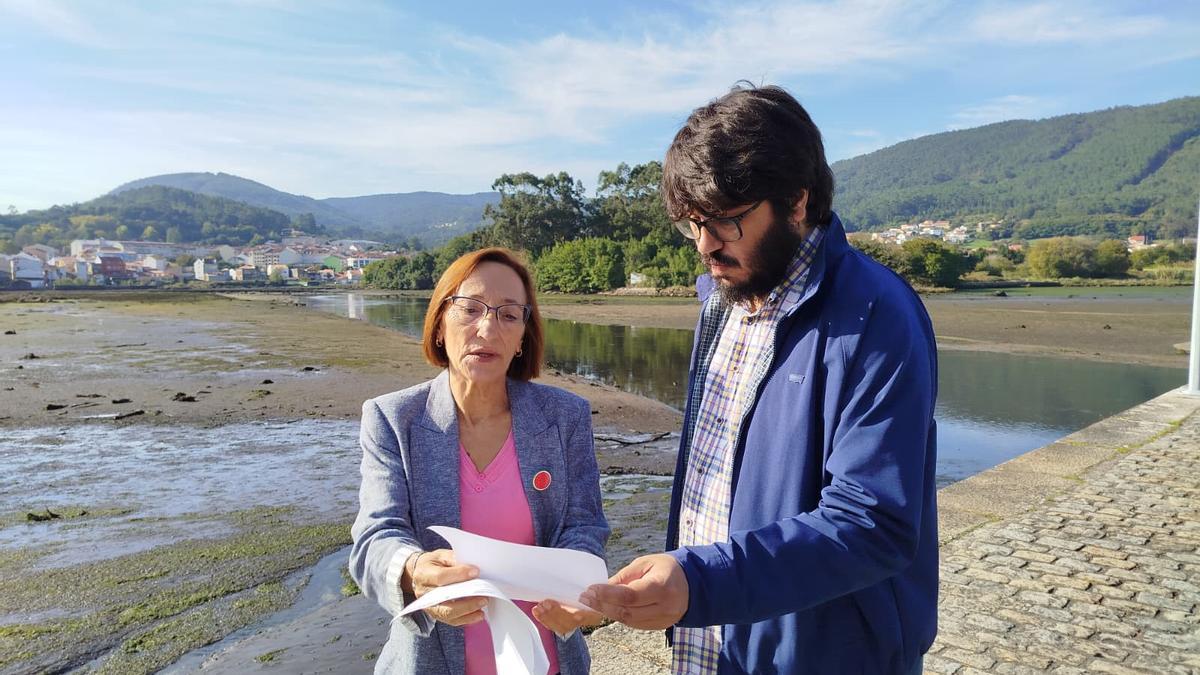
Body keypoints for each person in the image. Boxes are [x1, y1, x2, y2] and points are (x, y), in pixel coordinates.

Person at [581, 84, 939, 674]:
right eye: (691, 224)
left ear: (796, 202)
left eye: (724, 222)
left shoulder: (878, 317)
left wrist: (700, 581)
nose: (704, 246)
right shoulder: (720, 302)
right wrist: (696, 591)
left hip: (823, 656)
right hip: (712, 644)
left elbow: (873, 522)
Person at [350, 247, 608, 675]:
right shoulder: (393, 419)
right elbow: (376, 536)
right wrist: (414, 572)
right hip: (428, 660)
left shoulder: (564, 417)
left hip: (547, 659)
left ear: (524, 335)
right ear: (439, 325)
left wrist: (573, 588)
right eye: (469, 310)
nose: (487, 328)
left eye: (509, 315)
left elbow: (584, 524)